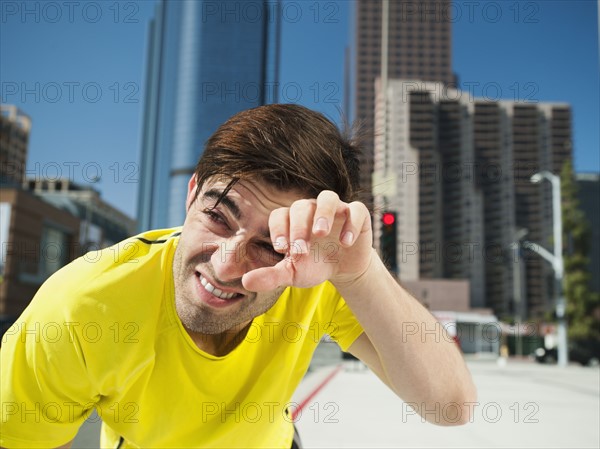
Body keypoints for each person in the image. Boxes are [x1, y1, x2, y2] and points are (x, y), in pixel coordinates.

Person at [0, 104, 476, 448]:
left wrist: (360, 272)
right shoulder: (81, 307)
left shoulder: (317, 278)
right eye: (218, 217)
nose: (226, 265)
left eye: (269, 245)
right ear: (191, 196)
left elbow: (450, 408)